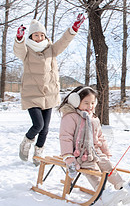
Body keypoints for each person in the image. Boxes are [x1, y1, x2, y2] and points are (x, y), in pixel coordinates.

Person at [14, 14, 85, 166]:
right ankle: (26, 141)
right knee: (38, 125)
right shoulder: (26, 51)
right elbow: (18, 50)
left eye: (41, 34)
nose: (39, 37)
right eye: (36, 35)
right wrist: (19, 38)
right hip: (32, 95)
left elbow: (64, 42)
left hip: (50, 94)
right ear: (31, 36)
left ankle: (38, 153)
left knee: (45, 128)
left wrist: (73, 28)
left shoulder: (51, 49)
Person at [58, 86, 130, 206]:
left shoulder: (93, 118)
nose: (90, 106)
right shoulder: (70, 117)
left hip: (96, 151)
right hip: (79, 154)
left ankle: (123, 186)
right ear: (76, 101)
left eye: (93, 103)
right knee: (93, 171)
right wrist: (68, 157)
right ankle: (104, 192)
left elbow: (100, 137)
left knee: (108, 166)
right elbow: (65, 137)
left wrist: (105, 151)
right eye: (86, 103)